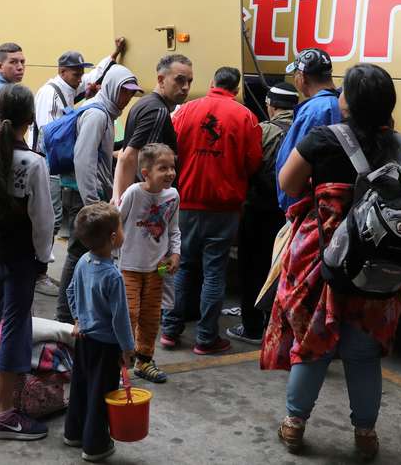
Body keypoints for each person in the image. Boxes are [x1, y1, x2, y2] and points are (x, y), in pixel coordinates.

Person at [262, 63, 401, 460]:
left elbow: (288, 183)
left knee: (313, 342)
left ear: (350, 101)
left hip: (321, 257)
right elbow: (400, 189)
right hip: (378, 259)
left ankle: (294, 425)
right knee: (363, 352)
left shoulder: (323, 139)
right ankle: (365, 435)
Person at [0, 84, 55, 440]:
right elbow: (43, 220)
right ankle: (3, 414)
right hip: (20, 258)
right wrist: (43, 258)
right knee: (16, 326)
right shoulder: (34, 163)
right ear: (30, 119)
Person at [160, 67, 263, 355]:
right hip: (224, 208)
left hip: (187, 202)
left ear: (212, 82)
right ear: (236, 89)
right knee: (214, 272)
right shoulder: (246, 117)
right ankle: (206, 338)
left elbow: (170, 152)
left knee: (182, 266)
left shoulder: (185, 111)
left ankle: (170, 330)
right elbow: (254, 162)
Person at [32, 38, 126, 295]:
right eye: (76, 73)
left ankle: (40, 272)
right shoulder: (51, 93)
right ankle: (38, 273)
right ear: (62, 71)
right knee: (51, 220)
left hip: (61, 167)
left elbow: (94, 76)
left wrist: (114, 54)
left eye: (81, 73)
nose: (80, 78)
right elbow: (49, 135)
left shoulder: (72, 87)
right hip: (51, 165)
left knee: (55, 219)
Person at [55, 66, 143, 323]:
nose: (127, 98)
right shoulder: (97, 114)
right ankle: (64, 315)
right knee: (77, 253)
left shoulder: (105, 113)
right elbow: (83, 160)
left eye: (131, 93)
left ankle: (74, 312)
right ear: (112, 87)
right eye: (124, 91)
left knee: (84, 253)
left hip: (85, 193)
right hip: (82, 196)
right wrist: (92, 204)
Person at [227, 82, 298, 345]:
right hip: (291, 212)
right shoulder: (304, 128)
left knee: (252, 267)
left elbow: (245, 165)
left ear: (270, 105)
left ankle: (253, 327)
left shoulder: (264, 130)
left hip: (259, 209)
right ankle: (278, 325)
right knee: (281, 268)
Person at [65, 202, 134, 462]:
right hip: (106, 346)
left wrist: (78, 319)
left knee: (81, 386)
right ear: (113, 237)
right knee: (101, 393)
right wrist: (128, 349)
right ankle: (95, 445)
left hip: (84, 340)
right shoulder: (113, 276)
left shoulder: (83, 261)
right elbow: (120, 319)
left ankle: (73, 433)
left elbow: (70, 291)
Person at [118, 143, 180, 383]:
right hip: (130, 267)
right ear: (146, 173)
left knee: (151, 317)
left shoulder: (173, 195)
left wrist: (175, 254)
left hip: (157, 268)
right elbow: (117, 222)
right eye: (163, 168)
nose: (170, 173)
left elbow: (173, 230)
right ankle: (120, 361)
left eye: (172, 167)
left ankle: (144, 360)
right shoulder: (134, 193)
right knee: (129, 314)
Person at [111, 54, 193, 204]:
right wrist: (122, 205)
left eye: (189, 81)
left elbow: (123, 154)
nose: (186, 87)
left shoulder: (144, 103)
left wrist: (117, 198)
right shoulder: (157, 111)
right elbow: (129, 157)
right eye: (180, 80)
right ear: (161, 80)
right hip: (146, 205)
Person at [275, 48, 341, 212]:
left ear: (302, 77)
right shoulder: (342, 103)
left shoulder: (313, 111)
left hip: (308, 208)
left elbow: (292, 173)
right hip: (334, 204)